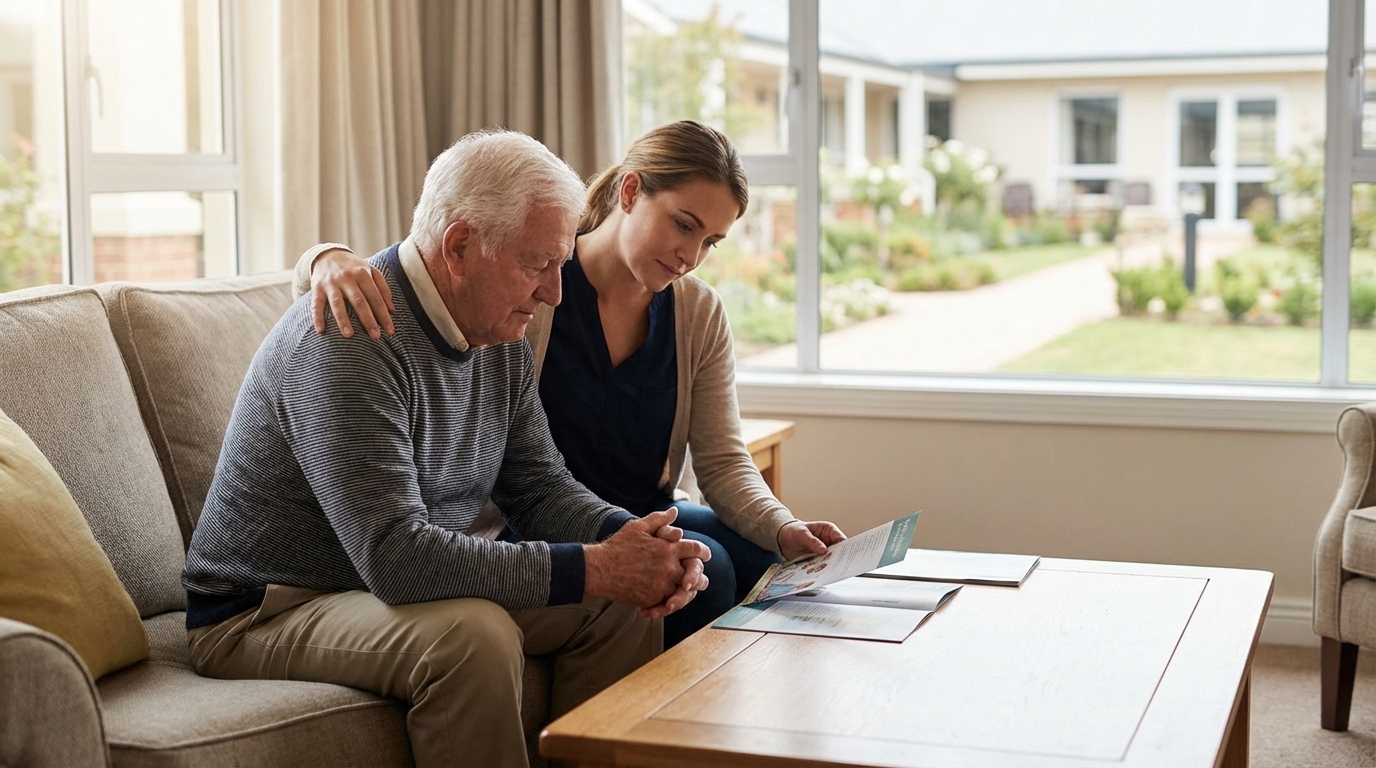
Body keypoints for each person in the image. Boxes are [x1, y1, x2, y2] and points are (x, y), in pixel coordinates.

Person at [181, 129, 712, 768]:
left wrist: (635, 544)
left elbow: (540, 487)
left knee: (619, 606)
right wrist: (597, 565)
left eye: (559, 264)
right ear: (459, 246)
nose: (554, 293)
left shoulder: (499, 334)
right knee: (473, 637)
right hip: (268, 608)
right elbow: (398, 559)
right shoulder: (353, 334)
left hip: (379, 587)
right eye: (537, 264)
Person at [296, 120, 846, 647]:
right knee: (712, 568)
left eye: (711, 242)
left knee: (772, 563)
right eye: (684, 224)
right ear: (630, 191)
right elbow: (426, 261)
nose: (691, 256)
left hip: (633, 511)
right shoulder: (527, 279)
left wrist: (782, 527)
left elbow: (723, 461)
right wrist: (323, 257)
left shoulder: (698, 312)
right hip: (533, 520)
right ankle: (661, 729)